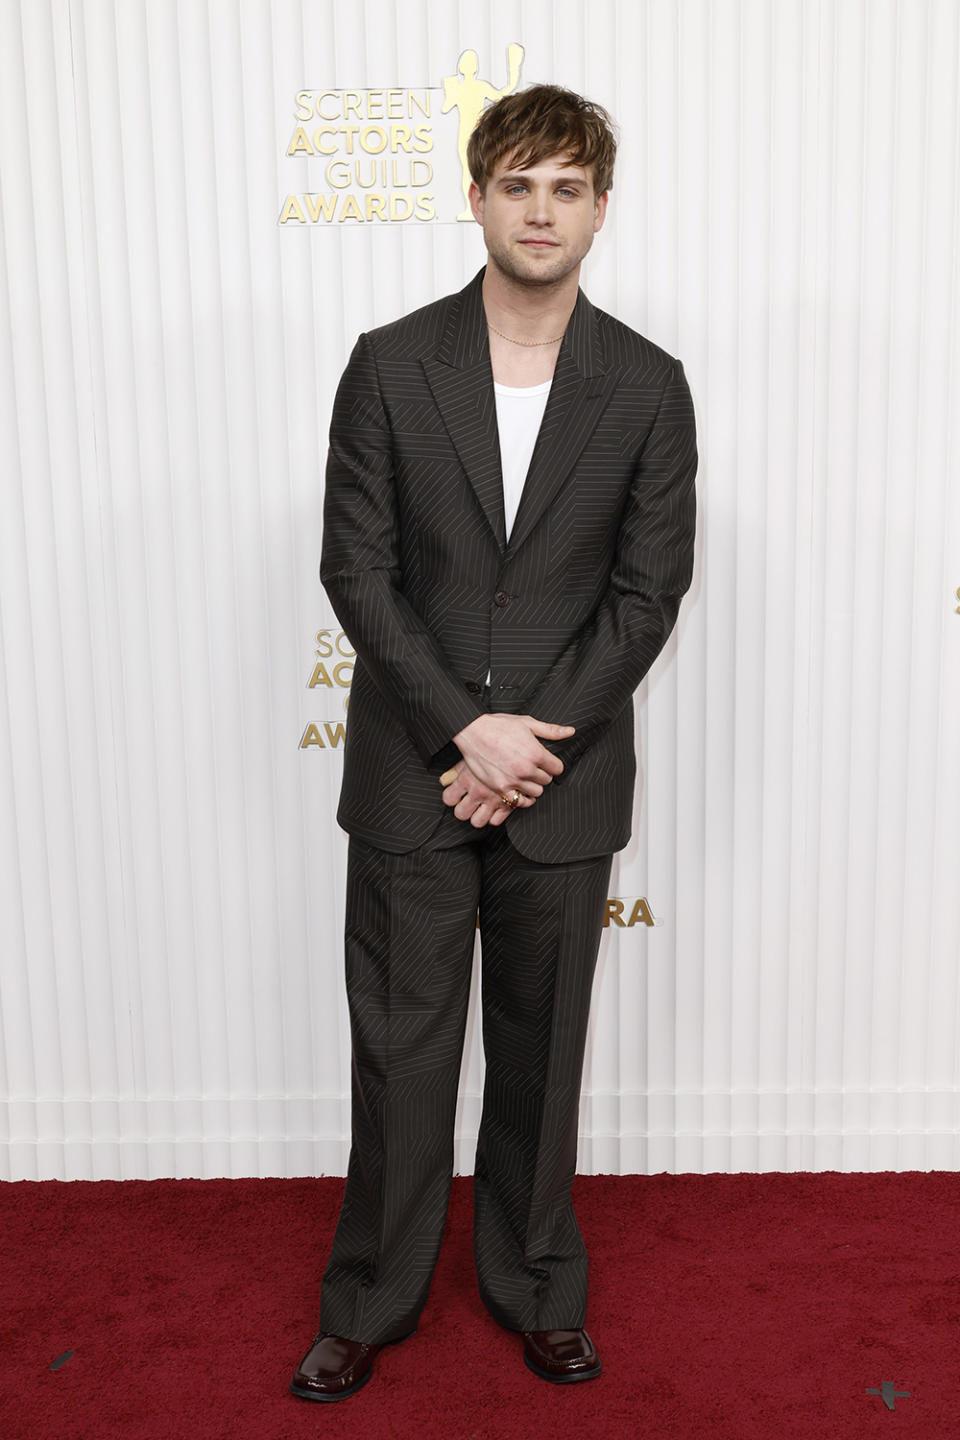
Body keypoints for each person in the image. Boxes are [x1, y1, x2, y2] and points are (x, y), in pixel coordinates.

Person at [291, 83, 697, 1403]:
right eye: (517, 183)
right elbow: (357, 572)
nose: (541, 209)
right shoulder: (390, 362)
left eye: (567, 188)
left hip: (562, 788)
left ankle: (538, 1287)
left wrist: (533, 744)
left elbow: (647, 596)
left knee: (545, 1048)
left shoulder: (644, 386)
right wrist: (466, 727)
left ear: (598, 210)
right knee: (400, 1056)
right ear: (476, 197)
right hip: (416, 774)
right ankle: (371, 1299)